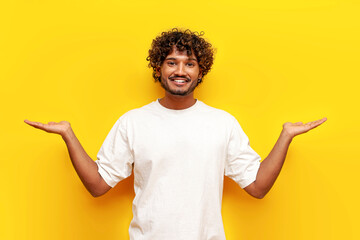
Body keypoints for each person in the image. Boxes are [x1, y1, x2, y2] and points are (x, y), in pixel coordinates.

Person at [24, 28, 327, 240]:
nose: (180, 70)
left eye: (189, 63)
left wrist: (285, 136)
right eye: (172, 62)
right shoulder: (133, 122)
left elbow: (258, 187)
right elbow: (98, 185)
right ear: (159, 68)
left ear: (200, 71)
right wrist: (68, 134)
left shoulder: (222, 123)